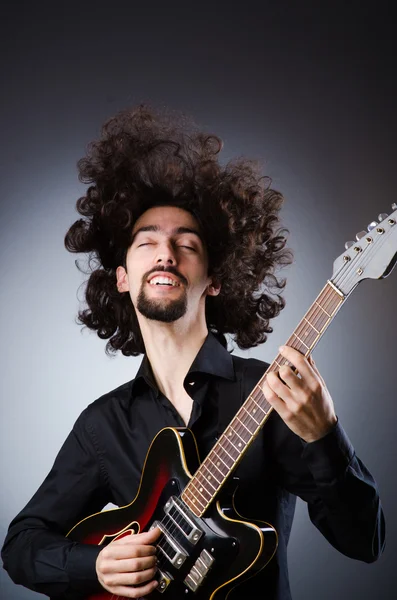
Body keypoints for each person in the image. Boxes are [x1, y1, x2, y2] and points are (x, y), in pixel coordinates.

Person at [1, 105, 385, 600]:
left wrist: (326, 437)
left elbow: (366, 543)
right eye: (147, 243)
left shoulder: (273, 395)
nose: (166, 253)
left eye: (187, 245)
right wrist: (94, 565)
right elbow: (20, 546)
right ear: (121, 277)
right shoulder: (104, 425)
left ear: (216, 279)